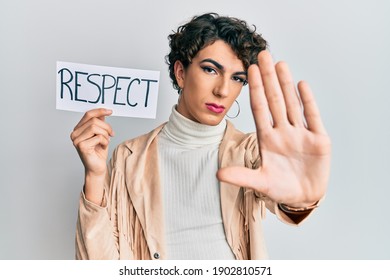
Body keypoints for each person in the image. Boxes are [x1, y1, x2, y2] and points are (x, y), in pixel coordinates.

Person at [71, 13, 331, 260]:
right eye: (210, 70)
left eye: (237, 78)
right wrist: (94, 177)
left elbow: (283, 196)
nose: (223, 90)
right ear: (181, 73)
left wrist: (299, 202)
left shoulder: (251, 151)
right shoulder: (129, 157)